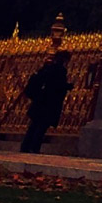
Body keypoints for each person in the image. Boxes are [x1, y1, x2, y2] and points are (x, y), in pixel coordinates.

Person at [19, 23, 71, 153]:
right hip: (48, 102)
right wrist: (67, 86)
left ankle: (26, 147)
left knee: (34, 125)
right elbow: (57, 86)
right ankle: (33, 148)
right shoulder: (59, 70)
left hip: (40, 99)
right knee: (40, 126)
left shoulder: (48, 67)